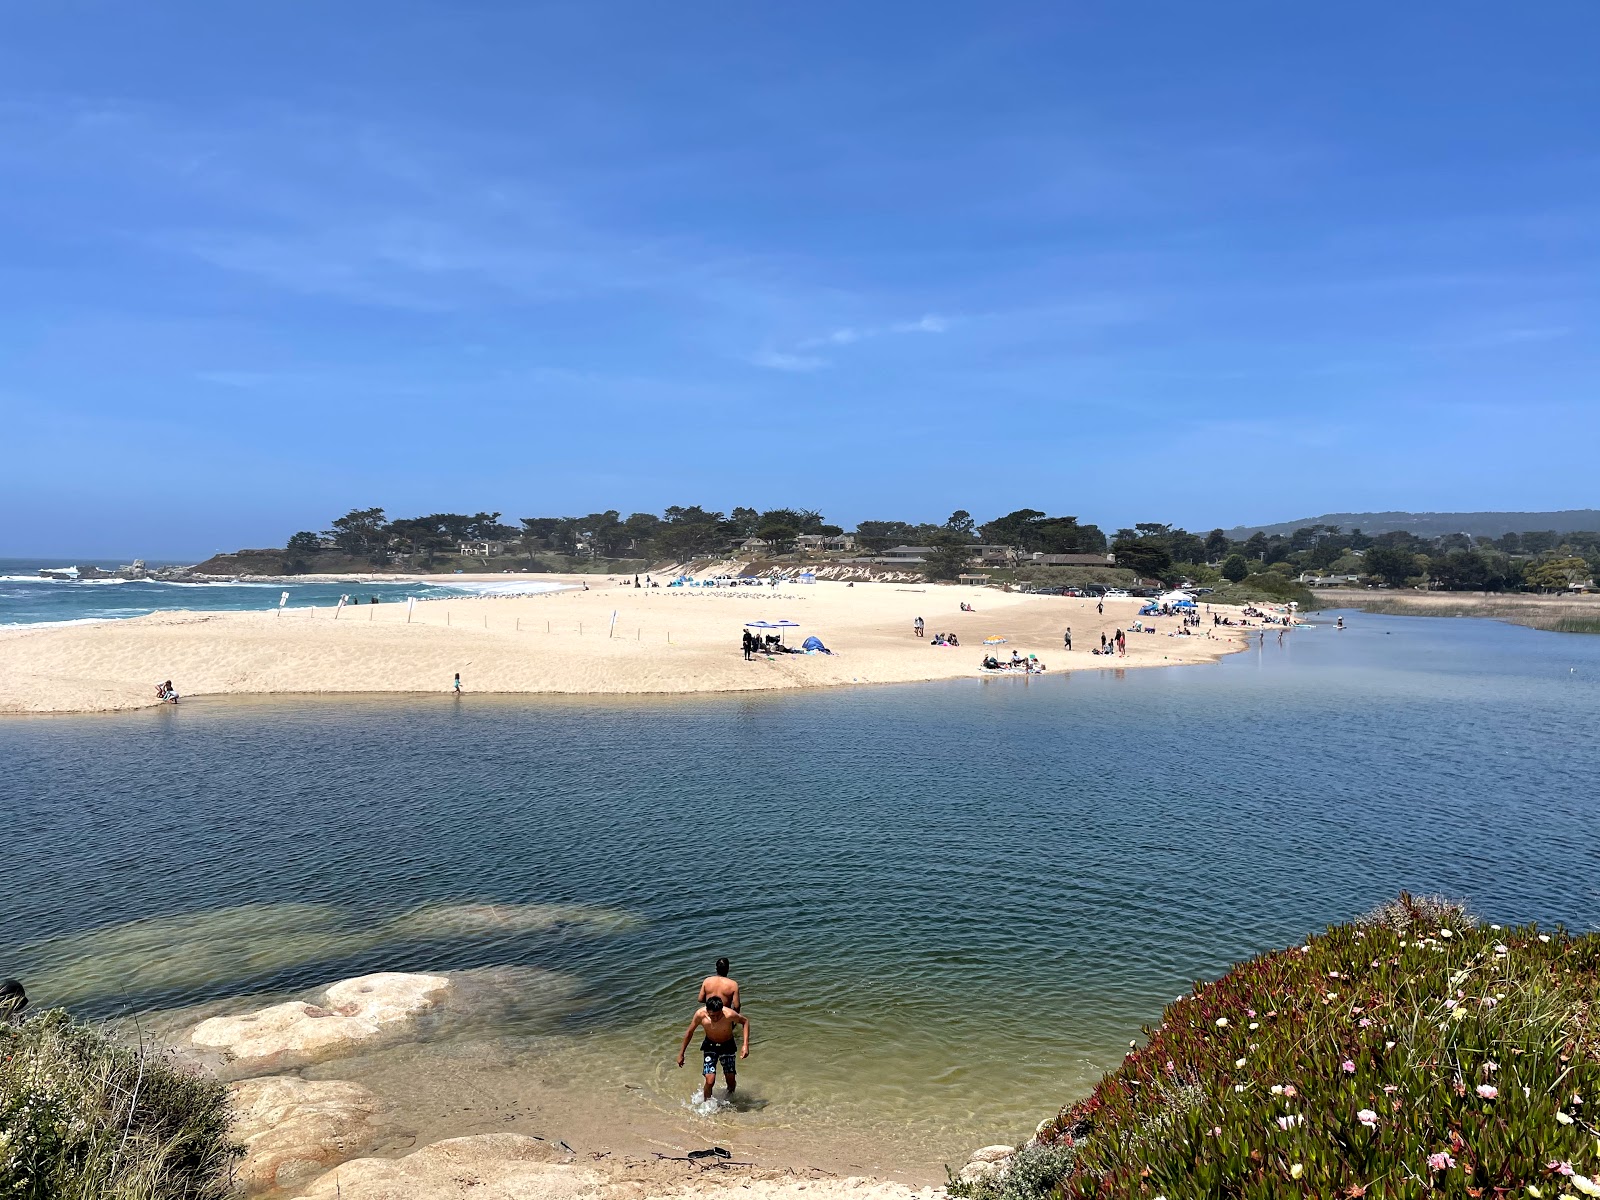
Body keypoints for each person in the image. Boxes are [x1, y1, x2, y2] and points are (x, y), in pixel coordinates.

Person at [677, 995, 749, 1101]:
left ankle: (730, 1101)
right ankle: (706, 1104)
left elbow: (745, 1022)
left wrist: (745, 1045)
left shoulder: (729, 1014)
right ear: (707, 1010)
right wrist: (681, 1053)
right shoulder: (700, 1015)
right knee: (710, 1080)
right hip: (710, 1046)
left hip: (727, 1045)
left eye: (718, 1015)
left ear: (721, 1010)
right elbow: (689, 1032)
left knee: (731, 1080)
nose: (715, 1018)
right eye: (712, 1016)